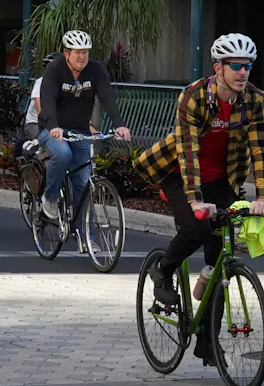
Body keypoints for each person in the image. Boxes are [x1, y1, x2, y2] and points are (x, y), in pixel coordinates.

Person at [135, 33, 264, 361]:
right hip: (178, 173)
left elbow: (259, 150)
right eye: (235, 65)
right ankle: (163, 269)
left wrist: (261, 196)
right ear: (217, 67)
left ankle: (207, 343)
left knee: (218, 259)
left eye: (247, 65)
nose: (242, 72)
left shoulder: (254, 101)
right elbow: (188, 151)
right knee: (197, 226)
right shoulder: (193, 96)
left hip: (222, 179)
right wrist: (194, 200)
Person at [38, 30, 131, 245]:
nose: (82, 57)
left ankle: (85, 235)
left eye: (85, 52)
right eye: (78, 52)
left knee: (82, 180)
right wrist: (53, 126)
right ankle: (50, 197)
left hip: (79, 130)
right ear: (66, 53)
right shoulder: (55, 69)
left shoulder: (95, 70)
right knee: (62, 153)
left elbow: (107, 96)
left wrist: (119, 124)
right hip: (53, 129)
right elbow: (48, 99)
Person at [23, 54, 58, 141]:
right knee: (56, 142)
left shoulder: (63, 84)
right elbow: (41, 113)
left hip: (55, 125)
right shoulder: (41, 82)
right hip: (35, 124)